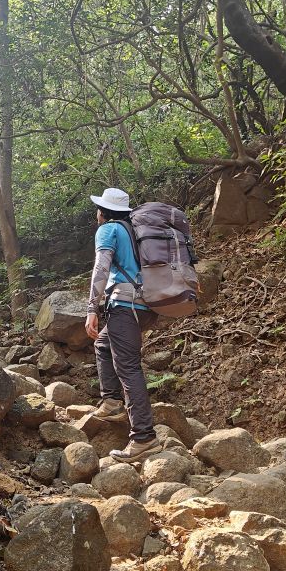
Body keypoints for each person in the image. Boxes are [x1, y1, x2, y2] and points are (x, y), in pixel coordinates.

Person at [85, 187, 163, 463]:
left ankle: (144, 438)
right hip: (147, 306)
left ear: (103, 211)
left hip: (125, 306)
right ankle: (111, 401)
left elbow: (101, 269)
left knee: (129, 368)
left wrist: (91, 308)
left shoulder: (108, 230)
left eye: (98, 208)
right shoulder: (135, 231)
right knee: (104, 344)